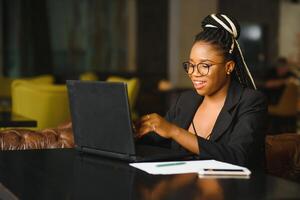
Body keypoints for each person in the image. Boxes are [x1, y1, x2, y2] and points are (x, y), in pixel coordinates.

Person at [136, 13, 268, 169]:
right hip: (184, 188)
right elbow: (157, 140)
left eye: (205, 66)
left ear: (228, 67)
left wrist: (174, 131)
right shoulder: (186, 100)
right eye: (191, 65)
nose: (194, 72)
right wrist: (133, 132)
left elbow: (238, 157)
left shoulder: (250, 101)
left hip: (232, 190)